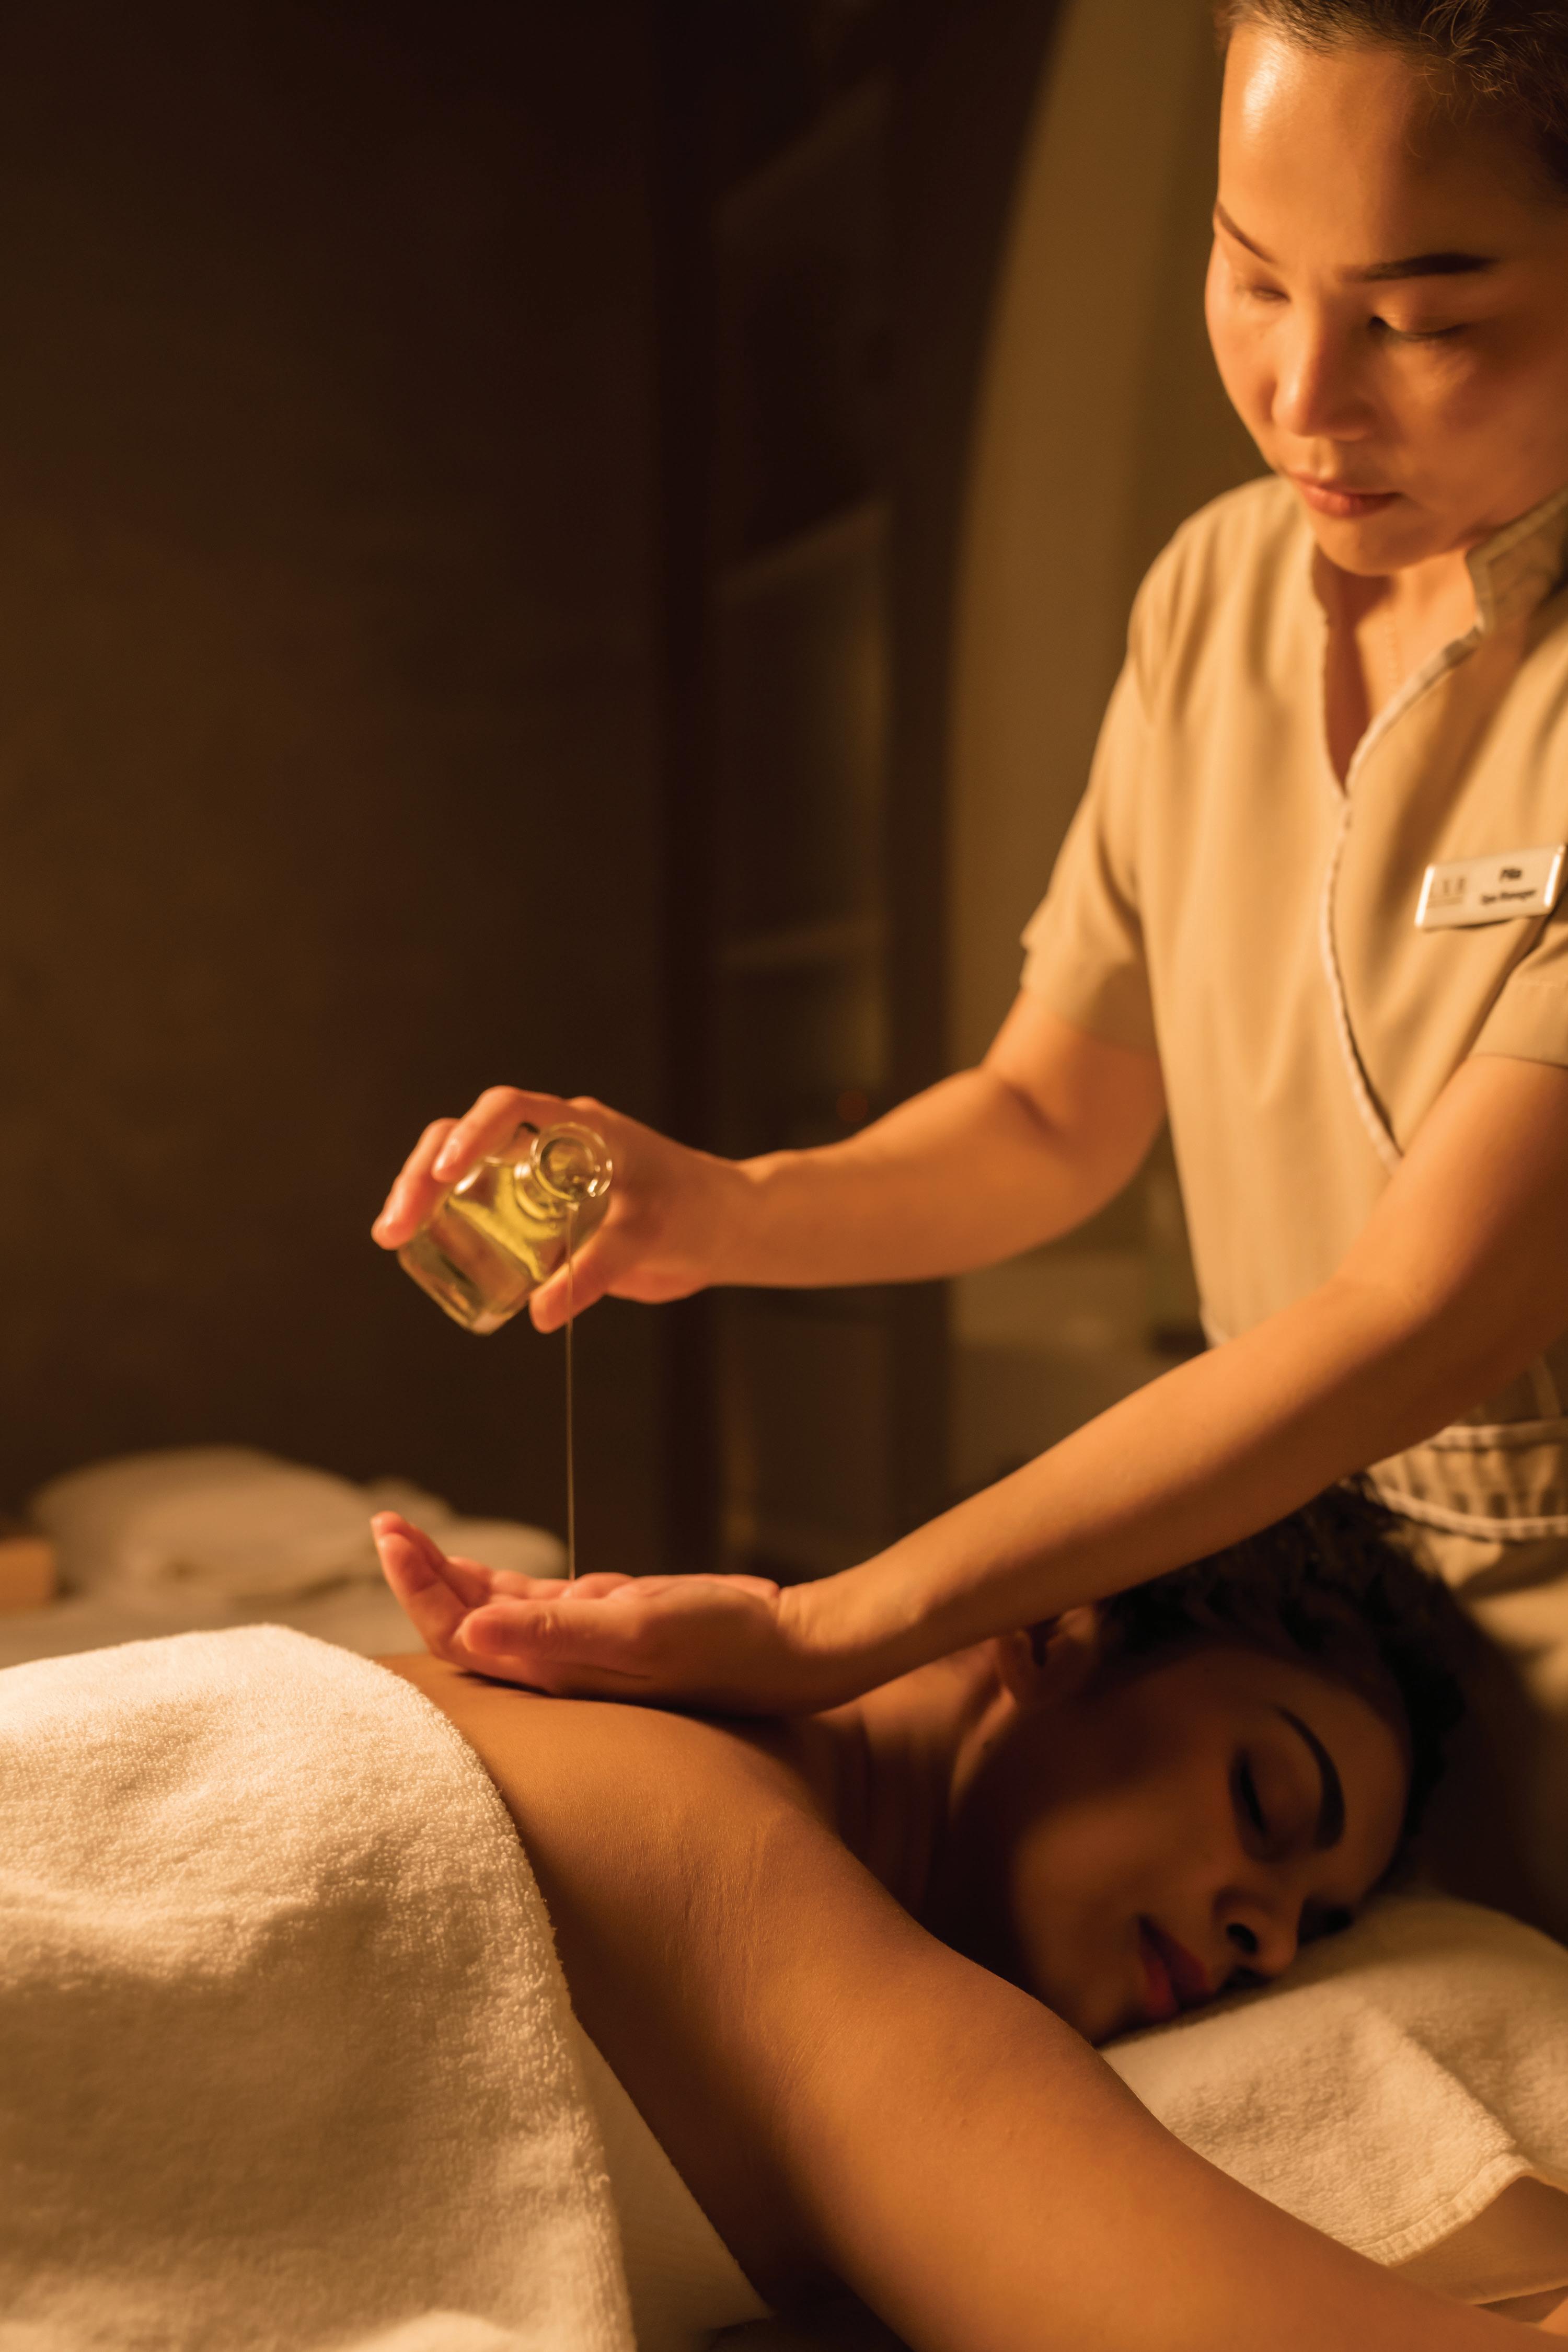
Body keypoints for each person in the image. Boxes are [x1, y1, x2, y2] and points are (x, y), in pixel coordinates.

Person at [372, 0, 1568, 1781]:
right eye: (1252, 276)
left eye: (1419, 320)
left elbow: (1416, 1317)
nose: (1302, 396)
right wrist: (719, 1209)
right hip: (1303, 1652)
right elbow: (1047, 1119)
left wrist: (830, 1628)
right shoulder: (1215, 598)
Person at [367, 1486, 1556, 2348]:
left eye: (1318, 1925)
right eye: (1264, 1800)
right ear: (1050, 1628)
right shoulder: (716, 1847)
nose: (1275, 1944)